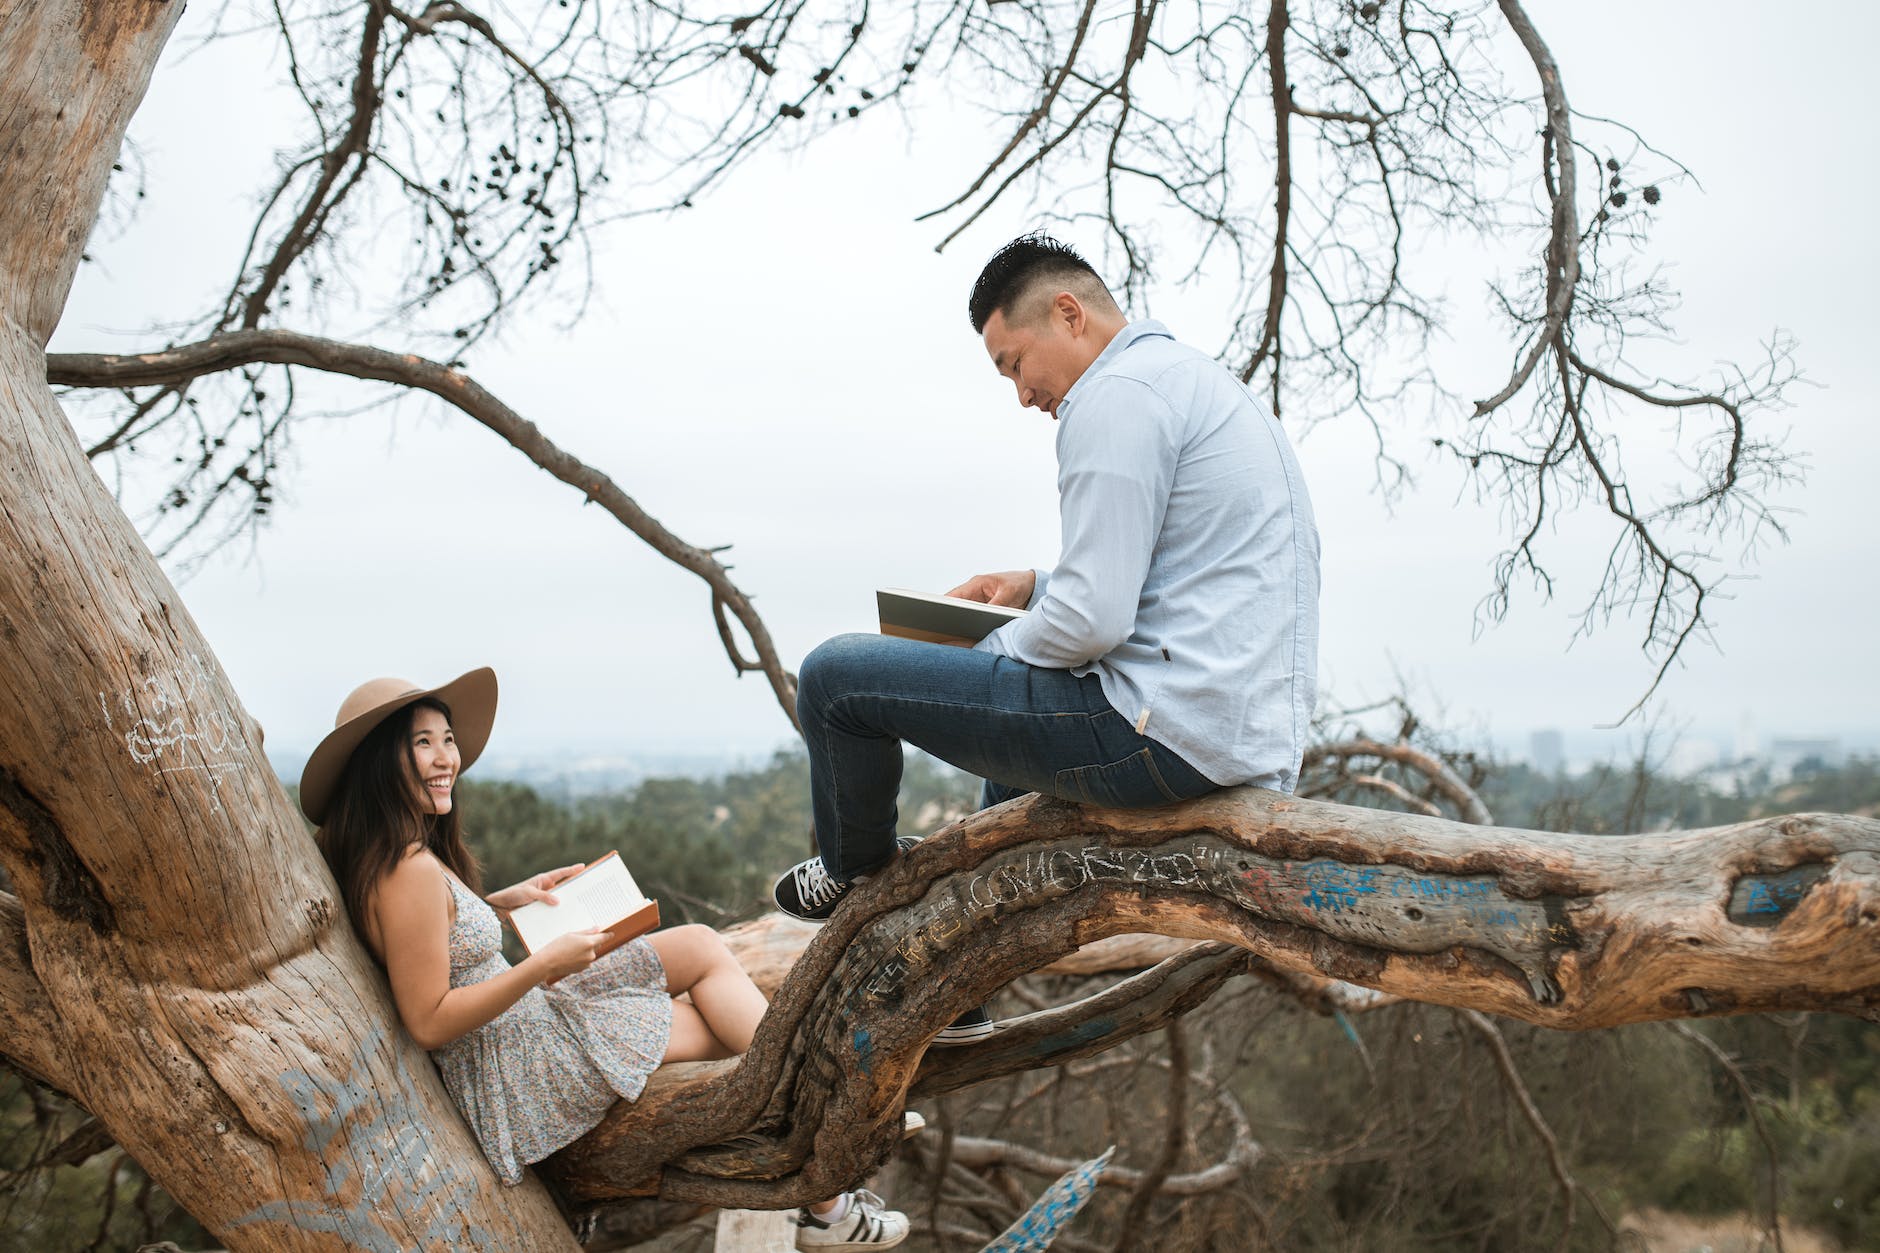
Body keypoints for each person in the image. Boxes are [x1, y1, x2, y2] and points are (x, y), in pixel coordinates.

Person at [772, 233, 1321, 1043]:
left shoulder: (1115, 396)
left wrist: (979, 649)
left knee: (835, 679)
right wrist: (1034, 587)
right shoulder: (1196, 384)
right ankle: (957, 995)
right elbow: (1165, 582)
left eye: (1013, 362)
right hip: (1234, 734)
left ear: (1069, 314)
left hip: (1158, 734)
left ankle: (859, 881)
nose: (1022, 394)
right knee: (1007, 785)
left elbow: (1093, 625)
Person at [302, 668, 909, 1251]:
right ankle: (833, 1166)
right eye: (424, 744)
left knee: (700, 946)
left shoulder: (395, 855)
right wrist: (540, 967)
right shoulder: (406, 869)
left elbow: (428, 937)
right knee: (716, 1022)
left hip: (523, 1028)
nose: (447, 760)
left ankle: (829, 1158)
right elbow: (428, 1018)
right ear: (381, 760)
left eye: (448, 741)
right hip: (518, 1069)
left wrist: (503, 902)